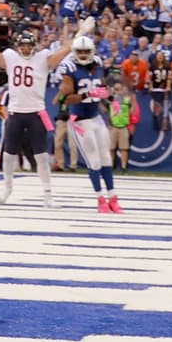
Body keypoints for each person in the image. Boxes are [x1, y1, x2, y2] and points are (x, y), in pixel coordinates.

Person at [0, 15, 89, 208]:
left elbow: (65, 50)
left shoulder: (43, 58)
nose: (26, 49)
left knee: (42, 156)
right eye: (23, 45)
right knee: (9, 154)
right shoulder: (11, 57)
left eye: (29, 45)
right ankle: (7, 187)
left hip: (36, 113)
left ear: (34, 46)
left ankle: (47, 194)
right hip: (15, 113)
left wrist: (81, 33)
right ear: (18, 46)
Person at [58, 35, 120, 213]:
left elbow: (101, 87)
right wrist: (88, 94)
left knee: (106, 158)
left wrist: (110, 100)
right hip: (79, 120)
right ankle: (100, 199)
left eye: (86, 51)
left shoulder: (98, 64)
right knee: (94, 161)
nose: (84, 55)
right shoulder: (69, 68)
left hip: (96, 117)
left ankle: (113, 197)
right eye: (80, 52)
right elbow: (66, 99)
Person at [107, 80, 139, 173]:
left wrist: (133, 102)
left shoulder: (126, 100)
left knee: (124, 148)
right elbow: (105, 109)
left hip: (124, 126)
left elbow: (132, 110)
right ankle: (111, 166)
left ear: (123, 90)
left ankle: (123, 167)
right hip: (113, 126)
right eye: (116, 89)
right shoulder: (111, 99)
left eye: (119, 89)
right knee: (111, 148)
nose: (118, 91)